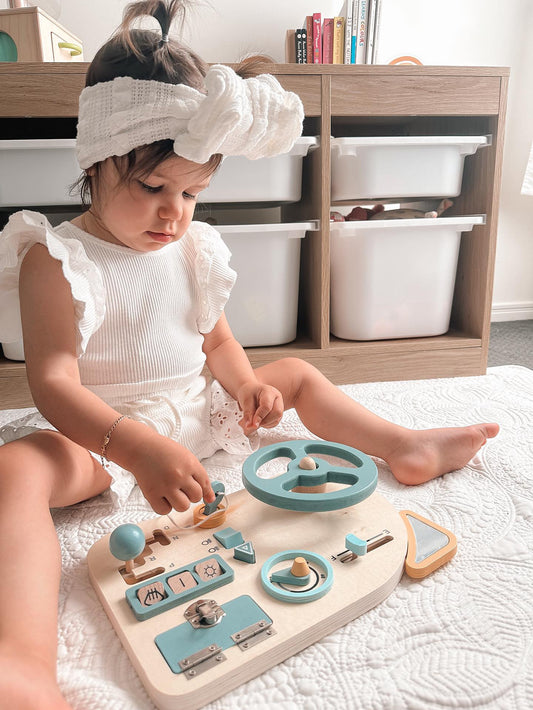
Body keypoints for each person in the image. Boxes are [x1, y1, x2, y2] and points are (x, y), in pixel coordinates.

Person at [0, 1, 499, 707]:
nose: (174, 212)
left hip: (191, 414)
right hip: (103, 435)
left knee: (292, 373)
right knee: (16, 468)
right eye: (152, 187)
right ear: (95, 158)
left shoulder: (191, 247)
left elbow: (218, 341)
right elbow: (52, 384)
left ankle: (403, 445)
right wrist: (133, 447)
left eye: (193, 193)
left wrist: (241, 389)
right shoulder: (54, 257)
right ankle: (20, 659)